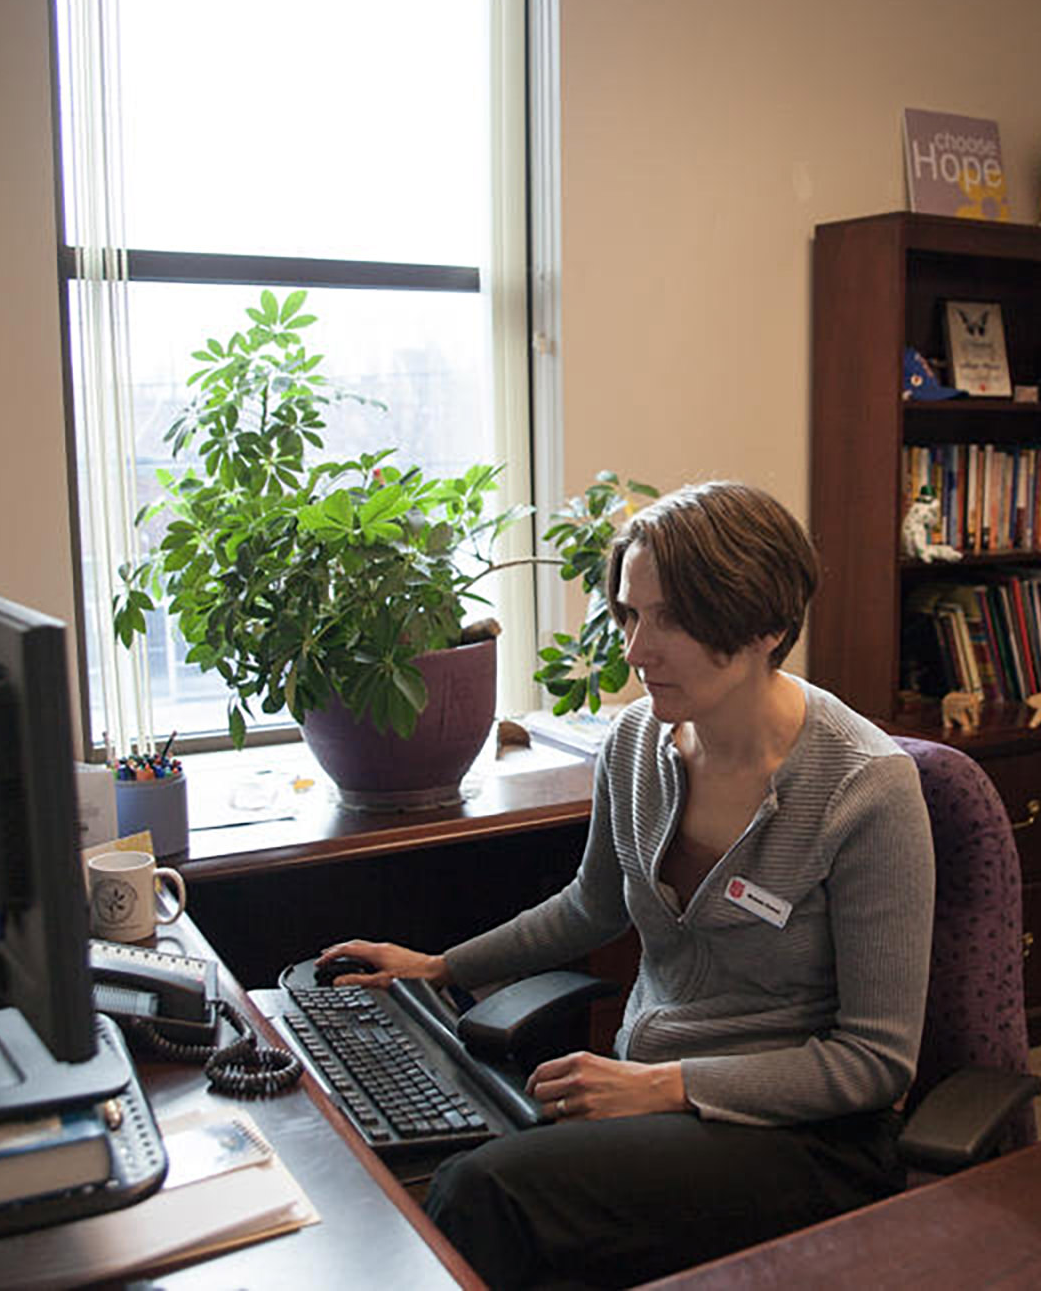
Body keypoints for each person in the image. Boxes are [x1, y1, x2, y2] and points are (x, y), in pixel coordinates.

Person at [320, 480, 935, 1288]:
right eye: (628, 615)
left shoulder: (866, 790)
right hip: (652, 1088)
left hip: (806, 1135)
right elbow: (592, 906)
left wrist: (668, 1087)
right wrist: (440, 968)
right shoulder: (635, 742)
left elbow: (875, 1062)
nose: (637, 650)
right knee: (448, 1162)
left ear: (766, 626)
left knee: (484, 1194)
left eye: (671, 619)